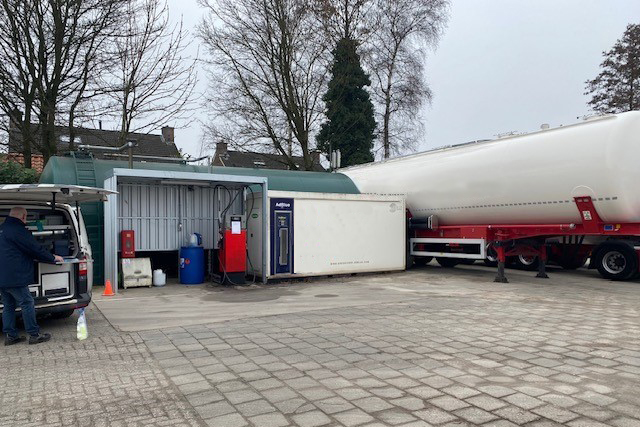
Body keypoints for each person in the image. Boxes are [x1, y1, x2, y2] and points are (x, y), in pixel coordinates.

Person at [0, 207, 64, 345]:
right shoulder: (18, 230)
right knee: (27, 302)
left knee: (8, 305)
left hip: (2, 276)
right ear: (23, 216)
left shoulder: (2, 228)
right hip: (15, 276)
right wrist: (53, 257)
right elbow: (34, 248)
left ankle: (11, 336)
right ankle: (34, 335)